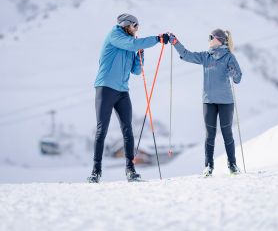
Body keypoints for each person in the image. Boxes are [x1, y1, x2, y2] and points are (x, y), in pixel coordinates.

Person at [88, 13, 169, 183]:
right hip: (105, 88)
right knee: (102, 129)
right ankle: (96, 171)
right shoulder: (115, 35)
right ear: (127, 25)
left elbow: (136, 71)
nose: (137, 29)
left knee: (128, 130)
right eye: (136, 26)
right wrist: (157, 39)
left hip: (122, 91)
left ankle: (130, 170)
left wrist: (141, 55)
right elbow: (132, 44)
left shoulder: (131, 44)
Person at [169, 30, 242, 177]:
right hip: (208, 101)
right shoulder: (205, 56)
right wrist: (175, 42)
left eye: (210, 37)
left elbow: (238, 78)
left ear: (219, 40)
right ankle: (208, 166)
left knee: (227, 133)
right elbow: (187, 55)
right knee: (210, 135)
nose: (208, 39)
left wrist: (234, 73)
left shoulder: (229, 57)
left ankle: (232, 165)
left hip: (226, 101)